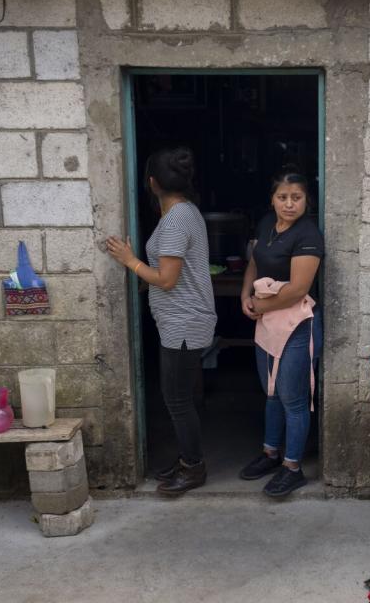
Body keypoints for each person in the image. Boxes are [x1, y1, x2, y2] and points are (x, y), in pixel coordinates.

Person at [106, 147, 216, 497]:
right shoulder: (182, 213)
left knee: (177, 400)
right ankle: (187, 459)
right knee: (177, 396)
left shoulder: (176, 219)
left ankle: (194, 466)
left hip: (184, 322)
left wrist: (130, 261)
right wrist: (144, 278)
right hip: (179, 320)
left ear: (152, 183)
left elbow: (168, 279)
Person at [239, 170, 324, 498]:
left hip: (297, 324)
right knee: (271, 392)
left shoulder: (309, 235)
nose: (289, 204)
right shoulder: (265, 224)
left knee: (293, 397)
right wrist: (245, 294)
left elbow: (298, 288)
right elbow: (254, 264)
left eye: (297, 197)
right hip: (267, 318)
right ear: (272, 199)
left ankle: (293, 467)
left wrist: (260, 306)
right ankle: (270, 453)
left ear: (306, 200)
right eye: (282, 197)